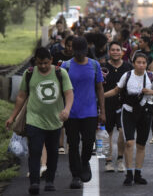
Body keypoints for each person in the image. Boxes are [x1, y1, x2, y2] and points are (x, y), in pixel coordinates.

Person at [5, 47, 74, 194]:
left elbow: (69, 94)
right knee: (35, 151)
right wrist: (12, 116)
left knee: (53, 153)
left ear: (51, 60)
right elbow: (21, 96)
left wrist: (67, 109)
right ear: (35, 61)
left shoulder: (60, 73)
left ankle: (50, 181)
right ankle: (34, 182)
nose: (42, 66)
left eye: (45, 63)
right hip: (34, 120)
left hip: (55, 121)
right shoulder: (29, 73)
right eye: (39, 63)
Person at [104, 53, 153, 186]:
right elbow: (115, 90)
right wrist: (100, 96)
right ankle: (129, 173)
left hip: (145, 113)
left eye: (144, 62)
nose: (141, 65)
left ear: (147, 64)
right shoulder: (127, 75)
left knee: (141, 145)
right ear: (133, 63)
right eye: (139, 62)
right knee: (129, 142)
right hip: (128, 112)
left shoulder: (151, 76)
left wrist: (151, 92)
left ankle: (138, 173)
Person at [61, 36, 106, 189]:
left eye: (82, 51)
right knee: (72, 144)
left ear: (87, 50)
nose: (79, 55)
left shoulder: (94, 65)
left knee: (88, 142)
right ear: (72, 50)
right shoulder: (66, 66)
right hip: (71, 113)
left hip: (90, 112)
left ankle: (85, 161)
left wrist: (102, 111)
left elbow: (99, 88)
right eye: (76, 51)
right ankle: (75, 175)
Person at [102, 42, 133, 172]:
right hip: (106, 104)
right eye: (113, 50)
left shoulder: (128, 67)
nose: (115, 52)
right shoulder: (102, 67)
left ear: (122, 52)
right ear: (109, 52)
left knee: (122, 132)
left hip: (123, 105)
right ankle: (108, 161)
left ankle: (120, 160)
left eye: (118, 50)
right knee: (107, 132)